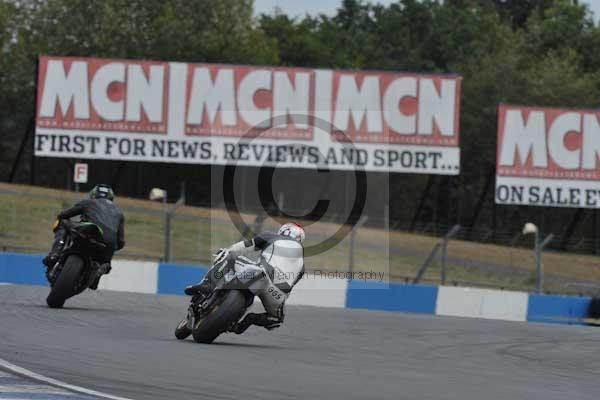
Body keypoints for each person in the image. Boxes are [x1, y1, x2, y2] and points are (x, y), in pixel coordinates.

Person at [185, 222, 305, 333]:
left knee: (230, 256)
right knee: (276, 319)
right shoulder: (302, 264)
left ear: (283, 231)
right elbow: (290, 287)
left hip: (261, 273)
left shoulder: (271, 236)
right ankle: (246, 322)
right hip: (278, 294)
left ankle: (207, 284)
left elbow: (244, 247)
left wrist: (226, 250)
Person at [43, 184, 125, 289]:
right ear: (111, 197)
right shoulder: (119, 213)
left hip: (87, 231)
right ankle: (99, 271)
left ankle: (55, 253)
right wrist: (114, 246)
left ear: (93, 194)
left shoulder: (88, 203)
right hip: (108, 242)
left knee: (62, 222)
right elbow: (121, 241)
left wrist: (62, 216)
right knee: (106, 262)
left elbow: (64, 215)